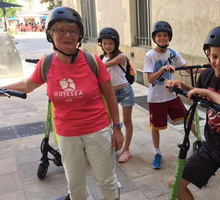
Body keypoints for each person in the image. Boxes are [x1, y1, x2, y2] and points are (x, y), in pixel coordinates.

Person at [1, 7, 123, 200]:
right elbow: (26, 85)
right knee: (75, 188)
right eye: (60, 30)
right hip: (67, 135)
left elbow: (110, 96)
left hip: (97, 131)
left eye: (72, 31)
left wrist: (117, 128)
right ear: (50, 34)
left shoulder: (92, 61)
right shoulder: (47, 63)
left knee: (106, 182)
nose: (67, 35)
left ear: (79, 35)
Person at [166, 26, 220, 200]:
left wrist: (210, 93)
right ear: (208, 55)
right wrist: (182, 86)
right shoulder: (206, 76)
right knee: (174, 184)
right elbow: (198, 93)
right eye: (214, 56)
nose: (218, 62)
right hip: (211, 146)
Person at [143, 21, 196, 169]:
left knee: (187, 116)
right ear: (154, 38)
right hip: (156, 98)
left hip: (172, 95)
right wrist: (162, 69)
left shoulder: (173, 53)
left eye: (165, 35)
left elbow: (186, 69)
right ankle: (157, 153)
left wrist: (205, 70)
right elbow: (150, 79)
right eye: (159, 35)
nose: (162, 38)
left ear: (169, 37)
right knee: (155, 126)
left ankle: (202, 141)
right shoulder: (150, 55)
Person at [98, 27, 135, 163]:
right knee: (108, 121)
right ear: (101, 43)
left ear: (116, 44)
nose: (107, 46)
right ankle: (112, 145)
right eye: (104, 43)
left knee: (126, 121)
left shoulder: (121, 57)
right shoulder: (101, 58)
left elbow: (107, 65)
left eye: (110, 43)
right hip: (109, 93)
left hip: (125, 91)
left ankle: (126, 150)